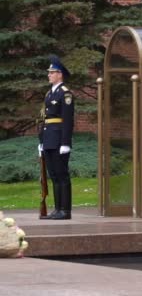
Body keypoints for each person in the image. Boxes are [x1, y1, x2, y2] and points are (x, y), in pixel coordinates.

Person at [38, 55, 74, 220]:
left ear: (60, 74)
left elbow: (67, 120)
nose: (49, 75)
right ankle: (57, 209)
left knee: (62, 175)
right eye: (49, 72)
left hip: (59, 141)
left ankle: (65, 211)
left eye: (52, 72)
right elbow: (45, 120)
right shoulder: (49, 94)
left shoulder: (65, 94)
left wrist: (65, 143)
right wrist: (41, 142)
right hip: (49, 141)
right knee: (53, 175)